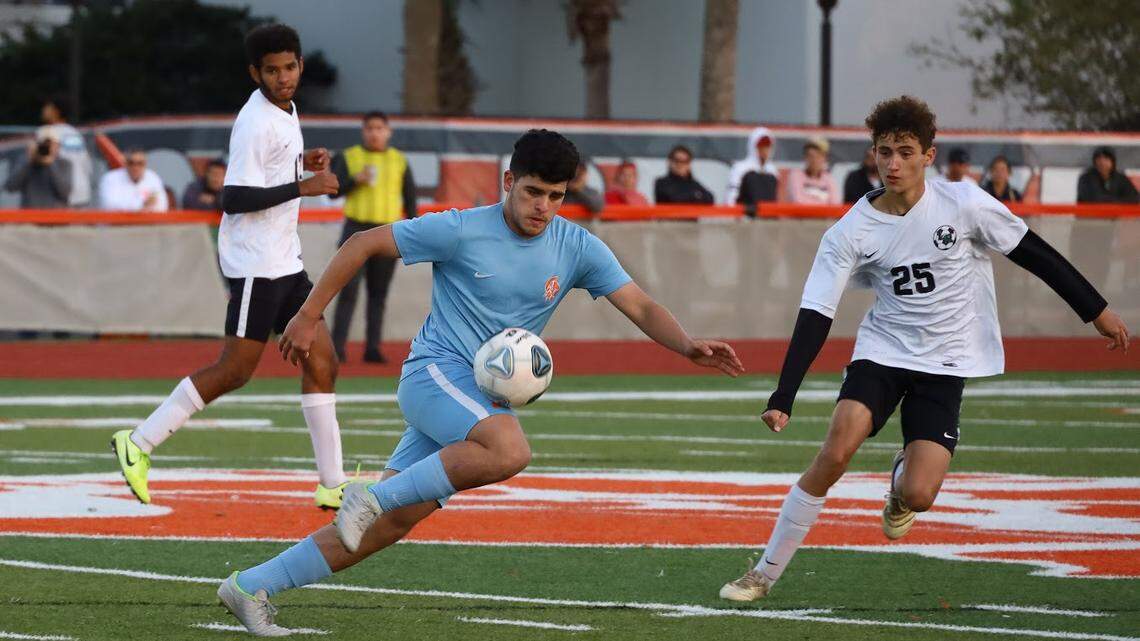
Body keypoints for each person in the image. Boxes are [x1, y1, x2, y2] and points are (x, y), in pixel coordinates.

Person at [216, 129, 745, 635]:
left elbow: (641, 305)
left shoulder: (576, 245)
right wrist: (308, 315)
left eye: (556, 197)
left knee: (391, 526)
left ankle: (251, 586)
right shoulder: (461, 228)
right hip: (433, 376)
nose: (543, 207)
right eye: (534, 191)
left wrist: (688, 345)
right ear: (508, 181)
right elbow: (362, 243)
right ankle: (367, 497)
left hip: (475, 395)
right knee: (508, 449)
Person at [719, 95, 1130, 602]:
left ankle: (899, 484)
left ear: (928, 156)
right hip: (883, 352)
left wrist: (1096, 309)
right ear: (873, 153)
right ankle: (763, 572)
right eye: (885, 151)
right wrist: (784, 395)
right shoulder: (851, 230)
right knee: (836, 451)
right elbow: (815, 313)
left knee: (920, 494)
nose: (893, 163)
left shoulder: (965, 203)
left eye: (906, 151)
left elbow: (1035, 254)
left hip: (946, 359)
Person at [109, 24, 348, 512]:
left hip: (286, 260)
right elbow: (233, 197)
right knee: (236, 371)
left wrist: (303, 165)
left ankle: (333, 484)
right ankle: (138, 442)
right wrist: (304, 187)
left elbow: (270, 169)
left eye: (290, 67)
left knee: (323, 360)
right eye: (272, 70)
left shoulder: (287, 109)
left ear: (300, 65)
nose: (283, 78)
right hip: (256, 265)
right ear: (254, 73)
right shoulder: (255, 119)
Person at [328, 111, 417, 364]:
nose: (375, 133)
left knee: (378, 294)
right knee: (348, 291)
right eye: (370, 128)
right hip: (354, 230)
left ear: (388, 132)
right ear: (363, 131)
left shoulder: (399, 160)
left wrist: (413, 234)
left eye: (379, 128)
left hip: (387, 233)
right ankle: (337, 347)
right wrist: (354, 180)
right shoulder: (349, 156)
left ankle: (373, 348)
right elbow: (333, 191)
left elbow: (410, 200)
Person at [36, 97, 92, 207]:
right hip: (82, 192)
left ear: (56, 111)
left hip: (60, 197)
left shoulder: (46, 132)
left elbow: (42, 161)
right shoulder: (75, 133)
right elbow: (87, 166)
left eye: (47, 107)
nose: (43, 110)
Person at [3, 131, 72, 208]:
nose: (47, 147)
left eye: (52, 144)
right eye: (44, 144)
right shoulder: (26, 162)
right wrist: (29, 161)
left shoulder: (64, 163)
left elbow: (65, 192)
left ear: (59, 146)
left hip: (55, 216)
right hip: (30, 215)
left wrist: (50, 163)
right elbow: (10, 187)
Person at [98, 148, 170, 212]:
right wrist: (141, 205)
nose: (135, 167)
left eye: (140, 163)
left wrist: (140, 207)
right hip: (117, 226)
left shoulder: (152, 178)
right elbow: (109, 206)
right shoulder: (111, 178)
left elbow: (162, 206)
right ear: (125, 163)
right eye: (131, 163)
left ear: (145, 164)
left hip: (146, 225)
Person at [726, 126, 777, 204]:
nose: (765, 150)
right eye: (761, 146)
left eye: (767, 146)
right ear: (753, 146)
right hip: (746, 215)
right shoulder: (740, 168)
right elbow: (731, 198)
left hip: (768, 214)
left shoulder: (772, 172)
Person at [787, 137, 840, 204]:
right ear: (805, 157)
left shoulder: (829, 179)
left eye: (818, 156)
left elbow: (835, 203)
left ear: (825, 158)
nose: (814, 160)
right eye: (811, 156)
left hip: (824, 214)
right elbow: (798, 201)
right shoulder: (795, 175)